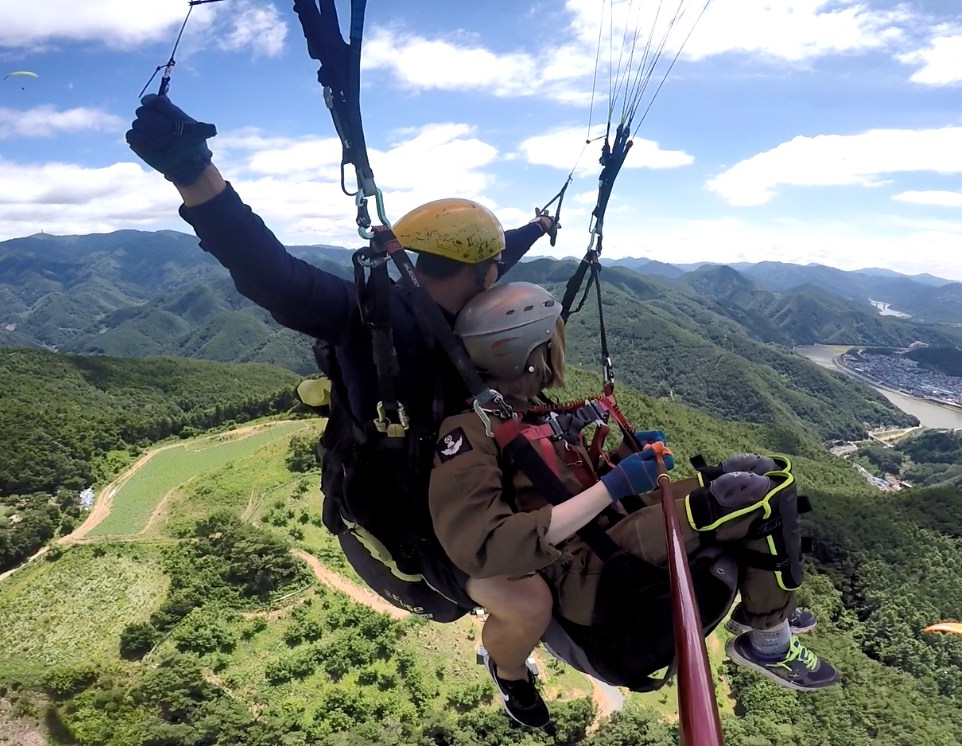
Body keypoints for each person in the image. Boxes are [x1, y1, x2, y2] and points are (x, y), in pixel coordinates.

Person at [125, 93, 558, 663]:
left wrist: (534, 226)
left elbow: (496, 257)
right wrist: (194, 174)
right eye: (493, 269)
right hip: (408, 520)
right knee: (538, 587)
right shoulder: (369, 317)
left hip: (453, 482)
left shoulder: (460, 305)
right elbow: (273, 275)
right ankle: (506, 664)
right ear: (484, 273)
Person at [429, 282, 840, 728]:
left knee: (755, 472)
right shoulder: (469, 432)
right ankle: (770, 642)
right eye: (552, 343)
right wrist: (614, 486)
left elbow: (572, 484)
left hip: (605, 532)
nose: (557, 353)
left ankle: (765, 599)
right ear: (530, 356)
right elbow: (483, 546)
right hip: (578, 571)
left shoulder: (525, 409)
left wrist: (624, 462)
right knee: (750, 500)